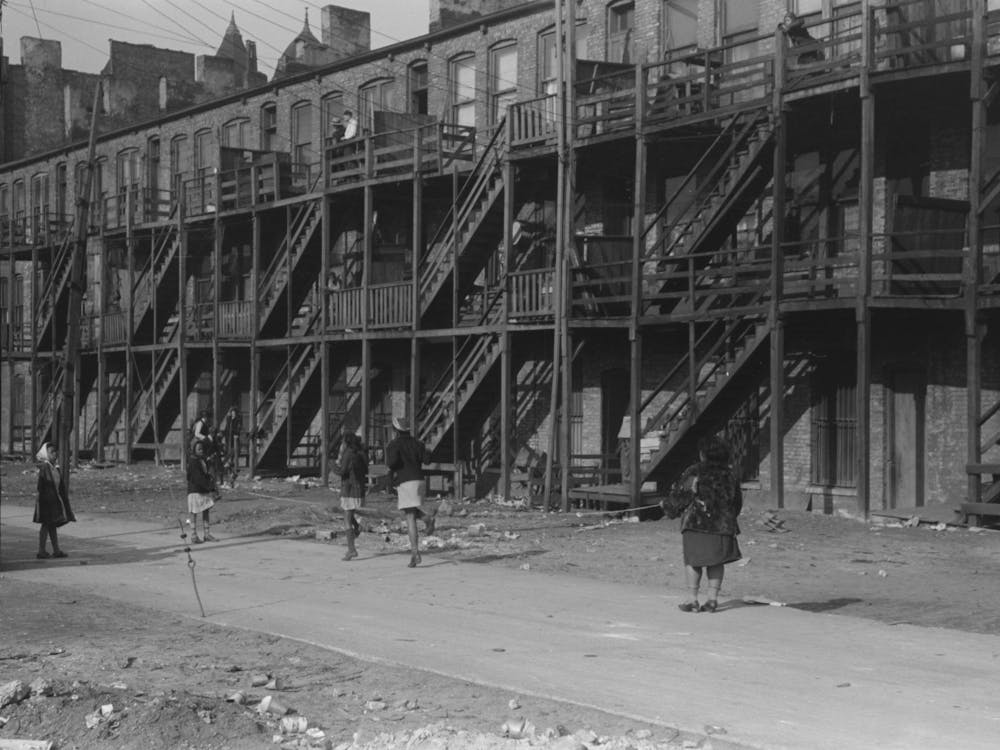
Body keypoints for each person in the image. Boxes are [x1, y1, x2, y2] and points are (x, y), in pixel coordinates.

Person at [661, 435, 743, 613]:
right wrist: (728, 517)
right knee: (715, 561)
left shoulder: (695, 471)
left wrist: (667, 506)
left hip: (697, 523)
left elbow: (681, 495)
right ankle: (712, 600)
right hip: (722, 525)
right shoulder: (730, 474)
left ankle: (693, 599)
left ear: (704, 454)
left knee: (693, 561)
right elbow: (737, 502)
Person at [385, 415, 436, 568]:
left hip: (406, 481)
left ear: (395, 430)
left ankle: (415, 553)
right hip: (419, 480)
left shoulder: (394, 445)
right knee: (411, 511)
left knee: (410, 517)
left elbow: (391, 463)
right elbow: (427, 460)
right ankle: (427, 518)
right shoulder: (417, 443)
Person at [34, 442, 75, 559]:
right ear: (46, 454)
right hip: (47, 501)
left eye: (55, 451)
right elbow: (42, 487)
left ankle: (56, 550)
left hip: (54, 500)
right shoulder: (45, 468)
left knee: (51, 525)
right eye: (51, 452)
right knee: (46, 525)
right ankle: (41, 551)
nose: (55, 453)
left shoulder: (54, 468)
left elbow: (59, 486)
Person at [336, 430, 368, 561]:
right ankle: (357, 527)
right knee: (348, 513)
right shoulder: (360, 453)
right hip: (358, 489)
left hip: (349, 489)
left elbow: (342, 471)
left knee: (346, 519)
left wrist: (331, 465)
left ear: (346, 443)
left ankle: (351, 550)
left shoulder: (348, 453)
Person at [186, 440, 219, 543]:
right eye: (199, 449)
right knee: (194, 512)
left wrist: (211, 485)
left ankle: (207, 534)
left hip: (202, 489)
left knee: (206, 509)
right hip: (195, 490)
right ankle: (194, 535)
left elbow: (205, 474)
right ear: (194, 450)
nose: (201, 451)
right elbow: (197, 477)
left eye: (202, 449)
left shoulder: (201, 460)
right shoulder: (193, 461)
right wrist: (210, 487)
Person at [222, 406, 241, 485]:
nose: (233, 414)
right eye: (232, 412)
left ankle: (231, 465)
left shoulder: (238, 419)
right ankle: (228, 466)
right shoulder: (229, 419)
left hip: (234, 438)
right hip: (228, 438)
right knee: (228, 451)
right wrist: (223, 434)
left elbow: (238, 428)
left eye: (234, 412)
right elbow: (226, 428)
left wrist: (237, 434)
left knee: (232, 452)